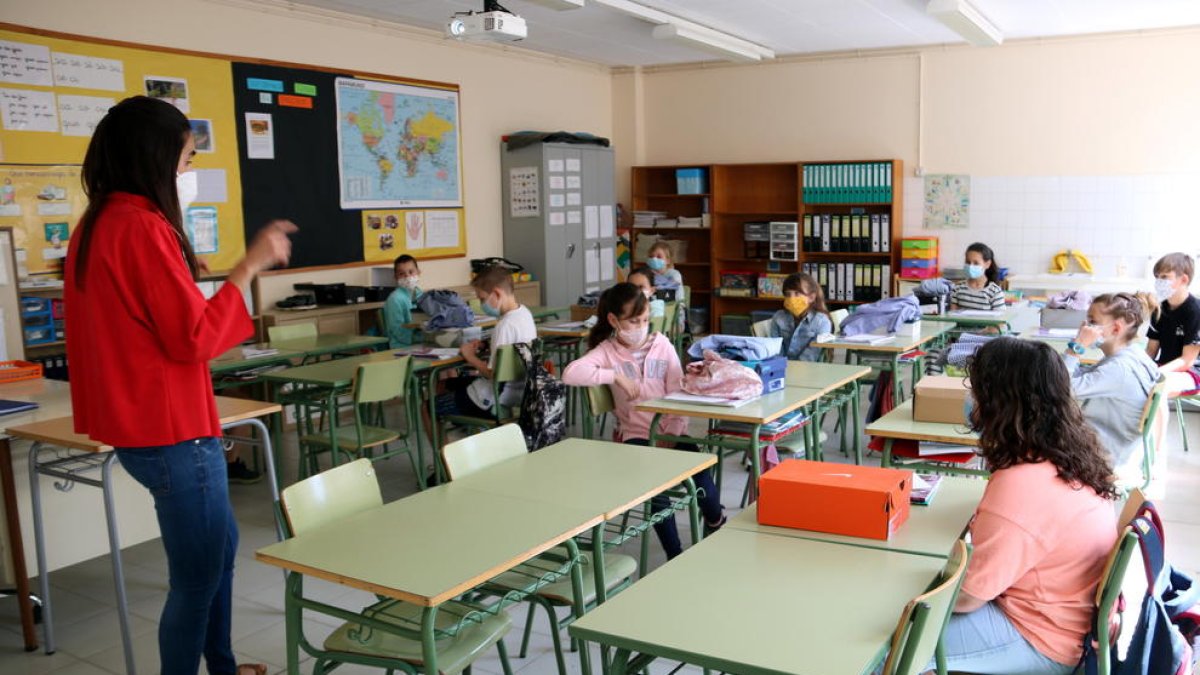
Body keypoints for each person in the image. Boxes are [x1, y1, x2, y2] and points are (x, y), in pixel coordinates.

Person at [65, 96, 295, 675]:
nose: (189, 172)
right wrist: (247, 267)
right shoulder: (141, 228)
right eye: (188, 157)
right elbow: (193, 338)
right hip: (171, 432)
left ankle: (220, 663)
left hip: (146, 425)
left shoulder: (98, 223)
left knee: (217, 559)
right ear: (158, 156)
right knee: (196, 579)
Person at [939, 337, 1118, 674]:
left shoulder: (1021, 486)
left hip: (1039, 639)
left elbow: (968, 596)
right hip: (1064, 621)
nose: (970, 399)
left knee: (893, 637)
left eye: (977, 390)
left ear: (999, 401)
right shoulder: (1067, 455)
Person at [562, 283, 725, 558]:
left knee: (701, 471)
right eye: (634, 321)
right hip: (636, 436)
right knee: (657, 491)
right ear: (614, 320)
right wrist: (613, 376)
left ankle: (715, 522)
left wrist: (671, 432)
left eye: (646, 320)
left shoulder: (662, 345)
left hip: (671, 430)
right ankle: (675, 554)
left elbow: (677, 391)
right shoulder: (607, 351)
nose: (641, 326)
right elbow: (570, 373)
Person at [1062, 292, 1161, 485]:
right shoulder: (1133, 353)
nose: (1084, 327)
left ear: (1116, 328)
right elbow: (1081, 376)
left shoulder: (1119, 369)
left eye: (1092, 321)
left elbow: (1061, 387)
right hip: (1120, 444)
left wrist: (1077, 346)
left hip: (1107, 453)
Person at [436, 265, 536, 419]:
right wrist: (486, 344)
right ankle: (464, 421)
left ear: (496, 293)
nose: (482, 304)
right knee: (444, 385)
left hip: (494, 396)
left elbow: (493, 374)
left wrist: (470, 357)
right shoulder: (525, 313)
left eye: (482, 299)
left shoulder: (504, 326)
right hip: (521, 390)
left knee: (428, 408)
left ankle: (460, 426)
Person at [1146, 252, 1200, 395]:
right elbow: (1151, 351)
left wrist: (1156, 372)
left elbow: (1187, 361)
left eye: (1164, 277)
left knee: (1155, 388)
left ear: (1183, 279)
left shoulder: (1196, 311)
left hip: (1192, 372)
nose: (1158, 281)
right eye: (1157, 277)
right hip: (1164, 366)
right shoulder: (1160, 308)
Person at [768, 272, 832, 361]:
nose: (791, 298)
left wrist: (793, 369)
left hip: (808, 369)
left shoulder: (822, 322)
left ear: (811, 297)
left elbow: (811, 354)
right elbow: (775, 348)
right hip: (782, 367)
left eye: (797, 293)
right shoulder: (779, 317)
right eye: (787, 294)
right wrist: (781, 366)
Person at [949, 242, 1005, 311]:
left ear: (987, 264)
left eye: (976, 263)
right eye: (968, 262)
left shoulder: (994, 291)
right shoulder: (958, 288)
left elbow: (1000, 320)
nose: (970, 266)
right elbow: (952, 315)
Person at [383, 254, 422, 348]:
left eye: (411, 272)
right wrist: (422, 339)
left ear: (419, 272)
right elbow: (398, 331)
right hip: (401, 347)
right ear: (396, 277)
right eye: (401, 274)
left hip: (423, 343)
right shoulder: (394, 299)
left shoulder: (420, 294)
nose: (407, 276)